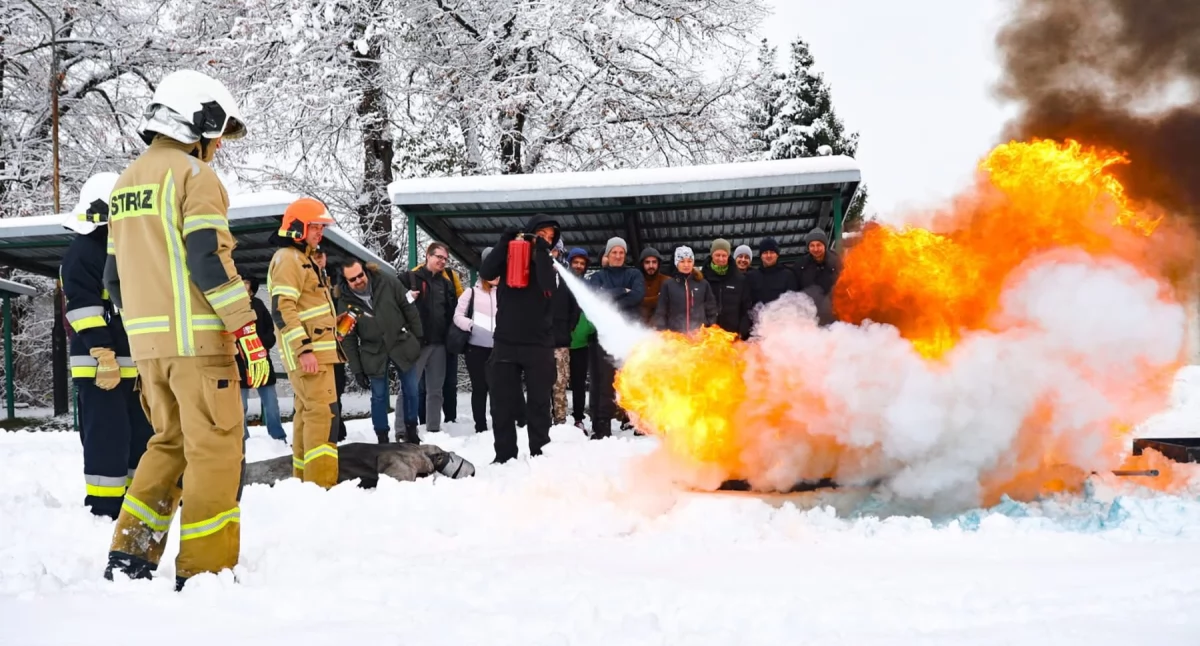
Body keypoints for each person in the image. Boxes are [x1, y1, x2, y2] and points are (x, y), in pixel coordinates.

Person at [102, 69, 268, 590]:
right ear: (200, 120)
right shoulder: (196, 178)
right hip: (199, 348)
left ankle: (131, 556)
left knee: (167, 443)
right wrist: (245, 328)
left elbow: (113, 278)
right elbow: (207, 259)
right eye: (217, 134)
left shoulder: (124, 185)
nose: (218, 146)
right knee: (216, 451)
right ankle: (205, 571)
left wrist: (146, 336)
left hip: (150, 350)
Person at [60, 172, 153, 520]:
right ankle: (104, 506)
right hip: (100, 364)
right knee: (107, 437)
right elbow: (82, 307)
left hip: (129, 363)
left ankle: (132, 497)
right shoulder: (85, 251)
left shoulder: (120, 250)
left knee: (137, 433)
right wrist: (103, 353)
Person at [268, 196, 344, 489]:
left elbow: (305, 307)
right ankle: (321, 484)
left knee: (307, 414)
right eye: (315, 227)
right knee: (322, 417)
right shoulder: (289, 259)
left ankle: (304, 482)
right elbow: (282, 308)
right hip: (310, 356)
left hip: (315, 353)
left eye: (321, 228)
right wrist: (304, 349)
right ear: (298, 227)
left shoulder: (301, 259)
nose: (319, 233)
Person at [478, 214, 561, 463]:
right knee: (501, 404)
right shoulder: (512, 254)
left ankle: (540, 452)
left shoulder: (551, 265)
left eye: (551, 238)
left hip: (539, 344)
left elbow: (548, 286)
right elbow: (486, 271)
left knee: (538, 404)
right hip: (506, 341)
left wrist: (544, 255)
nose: (545, 240)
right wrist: (504, 243)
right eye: (542, 234)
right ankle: (504, 455)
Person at [337, 259, 424, 444]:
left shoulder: (387, 281)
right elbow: (348, 338)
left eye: (360, 275)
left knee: (411, 390)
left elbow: (408, 307)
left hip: (401, 342)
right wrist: (357, 369)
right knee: (378, 396)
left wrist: (418, 337)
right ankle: (382, 437)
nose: (359, 280)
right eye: (353, 279)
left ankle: (411, 430)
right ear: (346, 281)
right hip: (372, 351)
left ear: (365, 271)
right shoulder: (345, 302)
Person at [585, 237, 644, 439]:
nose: (618, 256)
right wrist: (622, 291)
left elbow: (637, 296)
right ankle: (602, 426)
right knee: (605, 382)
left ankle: (636, 422)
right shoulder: (597, 276)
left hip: (628, 336)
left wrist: (609, 297)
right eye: (614, 252)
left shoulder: (634, 273)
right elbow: (596, 298)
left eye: (621, 252)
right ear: (607, 255)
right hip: (605, 338)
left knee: (632, 379)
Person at [405, 243, 457, 434]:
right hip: (415, 343)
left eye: (445, 259)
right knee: (409, 388)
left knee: (436, 391)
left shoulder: (447, 284)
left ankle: (434, 429)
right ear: (428, 255)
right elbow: (392, 304)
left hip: (439, 345)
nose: (442, 261)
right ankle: (402, 429)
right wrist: (407, 297)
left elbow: (452, 312)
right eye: (439, 257)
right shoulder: (409, 278)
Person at [453, 247, 499, 433]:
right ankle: (480, 426)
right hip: (476, 349)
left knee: (497, 389)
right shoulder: (470, 293)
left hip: (498, 349)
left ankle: (499, 423)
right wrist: (471, 324)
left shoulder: (504, 293)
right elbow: (457, 316)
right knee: (480, 389)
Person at [238, 275, 286, 441]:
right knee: (240, 406)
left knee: (271, 404)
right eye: (240, 282)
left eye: (246, 282)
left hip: (261, 360)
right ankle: (243, 439)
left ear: (251, 285)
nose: (243, 285)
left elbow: (270, 331)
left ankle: (277, 437)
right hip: (239, 363)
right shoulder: (231, 306)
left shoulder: (258, 304)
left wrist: (261, 344)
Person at [312, 246, 348, 442]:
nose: (318, 260)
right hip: (314, 349)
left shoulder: (332, 280)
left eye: (321, 255)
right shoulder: (305, 278)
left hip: (334, 348)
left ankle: (337, 429)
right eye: (314, 256)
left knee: (337, 390)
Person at [551, 244, 582, 426]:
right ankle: (542, 419)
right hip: (538, 342)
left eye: (555, 250)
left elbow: (575, 308)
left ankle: (560, 421)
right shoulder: (534, 275)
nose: (551, 254)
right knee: (540, 384)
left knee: (560, 384)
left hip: (561, 340)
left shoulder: (566, 278)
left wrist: (567, 327)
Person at [653, 246, 717, 333]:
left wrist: (709, 327)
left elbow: (711, 309)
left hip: (699, 337)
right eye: (682, 261)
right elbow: (661, 311)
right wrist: (661, 330)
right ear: (676, 263)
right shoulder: (668, 285)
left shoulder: (703, 284)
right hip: (676, 336)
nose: (686, 265)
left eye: (689, 261)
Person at [701, 238, 751, 339]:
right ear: (712, 255)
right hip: (709, 335)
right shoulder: (702, 278)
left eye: (724, 255)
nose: (721, 259)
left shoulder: (740, 279)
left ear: (728, 256)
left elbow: (746, 308)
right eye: (717, 255)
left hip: (732, 335)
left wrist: (742, 331)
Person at [792, 229, 843, 326]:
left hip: (834, 316)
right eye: (812, 245)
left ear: (825, 245)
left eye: (819, 245)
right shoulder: (801, 265)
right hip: (810, 317)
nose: (815, 249)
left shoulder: (837, 262)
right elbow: (796, 291)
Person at [565, 249, 591, 431]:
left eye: (582, 263)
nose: (579, 266)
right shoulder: (561, 282)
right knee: (556, 382)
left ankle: (578, 418)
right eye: (576, 262)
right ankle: (556, 415)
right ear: (569, 263)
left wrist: (589, 331)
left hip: (581, 344)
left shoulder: (588, 287)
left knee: (579, 384)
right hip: (561, 342)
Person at [747, 236, 797, 308]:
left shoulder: (788, 275)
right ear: (761, 256)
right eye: (765, 252)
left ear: (777, 255)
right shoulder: (752, 276)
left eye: (772, 252)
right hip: (757, 317)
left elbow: (793, 302)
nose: (769, 255)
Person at [638, 247, 669, 325]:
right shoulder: (636, 281)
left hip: (661, 328)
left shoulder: (667, 281)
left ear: (658, 264)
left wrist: (641, 300)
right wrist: (658, 298)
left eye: (654, 262)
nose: (651, 266)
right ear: (642, 264)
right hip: (639, 328)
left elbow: (667, 303)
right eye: (647, 262)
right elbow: (632, 301)